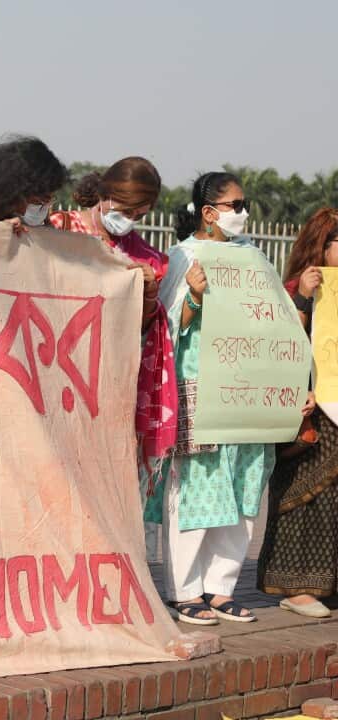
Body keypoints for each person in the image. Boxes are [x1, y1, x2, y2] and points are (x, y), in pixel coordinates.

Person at [154, 171, 274, 625]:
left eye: (245, 204)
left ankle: (220, 586)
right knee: (196, 488)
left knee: (243, 487)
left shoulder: (255, 259)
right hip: (199, 388)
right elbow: (165, 327)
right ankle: (184, 590)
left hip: (246, 393)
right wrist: (196, 299)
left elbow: (270, 321)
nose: (242, 213)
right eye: (234, 205)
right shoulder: (183, 257)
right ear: (208, 212)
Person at [49, 158, 175, 488]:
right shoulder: (58, 230)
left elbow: (144, 330)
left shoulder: (147, 259)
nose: (129, 221)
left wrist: (147, 294)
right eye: (124, 210)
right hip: (55, 378)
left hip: (112, 387)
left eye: (139, 216)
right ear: (104, 195)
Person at [257, 207, 337, 618]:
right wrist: (304, 296)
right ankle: (297, 586)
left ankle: (329, 584)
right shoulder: (293, 289)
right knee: (307, 496)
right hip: (312, 411)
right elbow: (280, 344)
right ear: (320, 246)